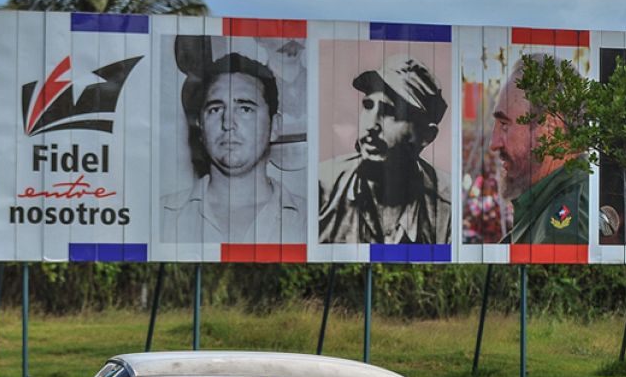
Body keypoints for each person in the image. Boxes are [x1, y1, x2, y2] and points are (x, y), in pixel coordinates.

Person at [162, 53, 306, 244]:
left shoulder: (312, 221)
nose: (228, 123)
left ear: (275, 126)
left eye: (245, 109)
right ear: (201, 126)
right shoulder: (161, 217)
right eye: (215, 109)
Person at [318, 54, 451, 244]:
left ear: (426, 136)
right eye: (368, 106)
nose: (371, 125)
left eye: (389, 113)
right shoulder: (322, 188)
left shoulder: (448, 209)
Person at [490, 54, 588, 245]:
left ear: (550, 127)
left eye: (504, 125)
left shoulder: (560, 231)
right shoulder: (548, 207)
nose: (493, 143)